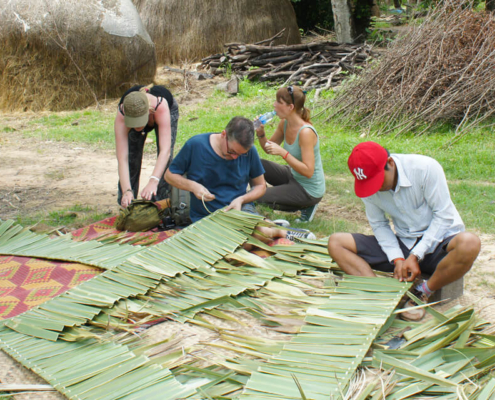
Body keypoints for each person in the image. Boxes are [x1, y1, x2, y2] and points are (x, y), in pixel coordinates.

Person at [327, 141, 481, 321]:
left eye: (377, 181)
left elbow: (443, 216)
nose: (375, 188)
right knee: (336, 242)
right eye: (369, 184)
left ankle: (421, 292)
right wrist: (397, 258)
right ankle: (381, 294)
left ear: (390, 163)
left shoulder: (425, 169)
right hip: (403, 243)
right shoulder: (368, 186)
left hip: (439, 242)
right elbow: (379, 224)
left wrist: (415, 256)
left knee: (470, 243)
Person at [165, 116, 315, 241]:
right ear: (224, 134)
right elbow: (170, 175)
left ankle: (280, 231)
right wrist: (193, 186)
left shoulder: (250, 152)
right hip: (206, 215)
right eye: (232, 152)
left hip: (240, 208)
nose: (235, 157)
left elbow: (260, 186)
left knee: (251, 236)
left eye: (240, 154)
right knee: (241, 240)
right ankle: (275, 229)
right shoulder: (196, 145)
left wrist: (241, 199)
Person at [255, 86, 326, 222]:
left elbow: (308, 171)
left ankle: (307, 205)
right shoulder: (284, 123)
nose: (274, 105)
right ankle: (260, 194)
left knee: (257, 197)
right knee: (256, 165)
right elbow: (268, 148)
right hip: (294, 175)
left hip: (308, 189)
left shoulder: (305, 132)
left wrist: (283, 153)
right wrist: (261, 134)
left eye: (279, 102)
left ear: (290, 107)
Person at [115, 85, 179, 208]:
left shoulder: (160, 106)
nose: (137, 126)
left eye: (139, 122)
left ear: (149, 111)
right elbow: (122, 158)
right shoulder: (123, 112)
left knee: (165, 163)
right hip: (137, 112)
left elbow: (165, 151)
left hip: (163, 111)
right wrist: (127, 191)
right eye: (133, 123)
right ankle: (127, 202)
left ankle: (161, 204)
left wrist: (153, 181)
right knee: (132, 159)